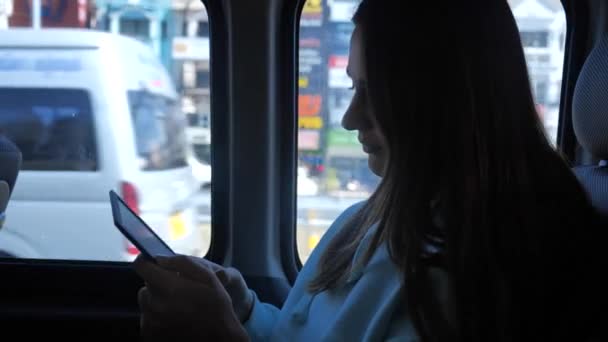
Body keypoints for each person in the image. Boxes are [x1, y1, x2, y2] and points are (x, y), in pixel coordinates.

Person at [134, 0, 605, 341]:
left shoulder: (486, 265)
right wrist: (244, 310)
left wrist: (218, 335)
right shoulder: (371, 218)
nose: (349, 118)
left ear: (441, 100)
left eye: (373, 92)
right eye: (354, 89)